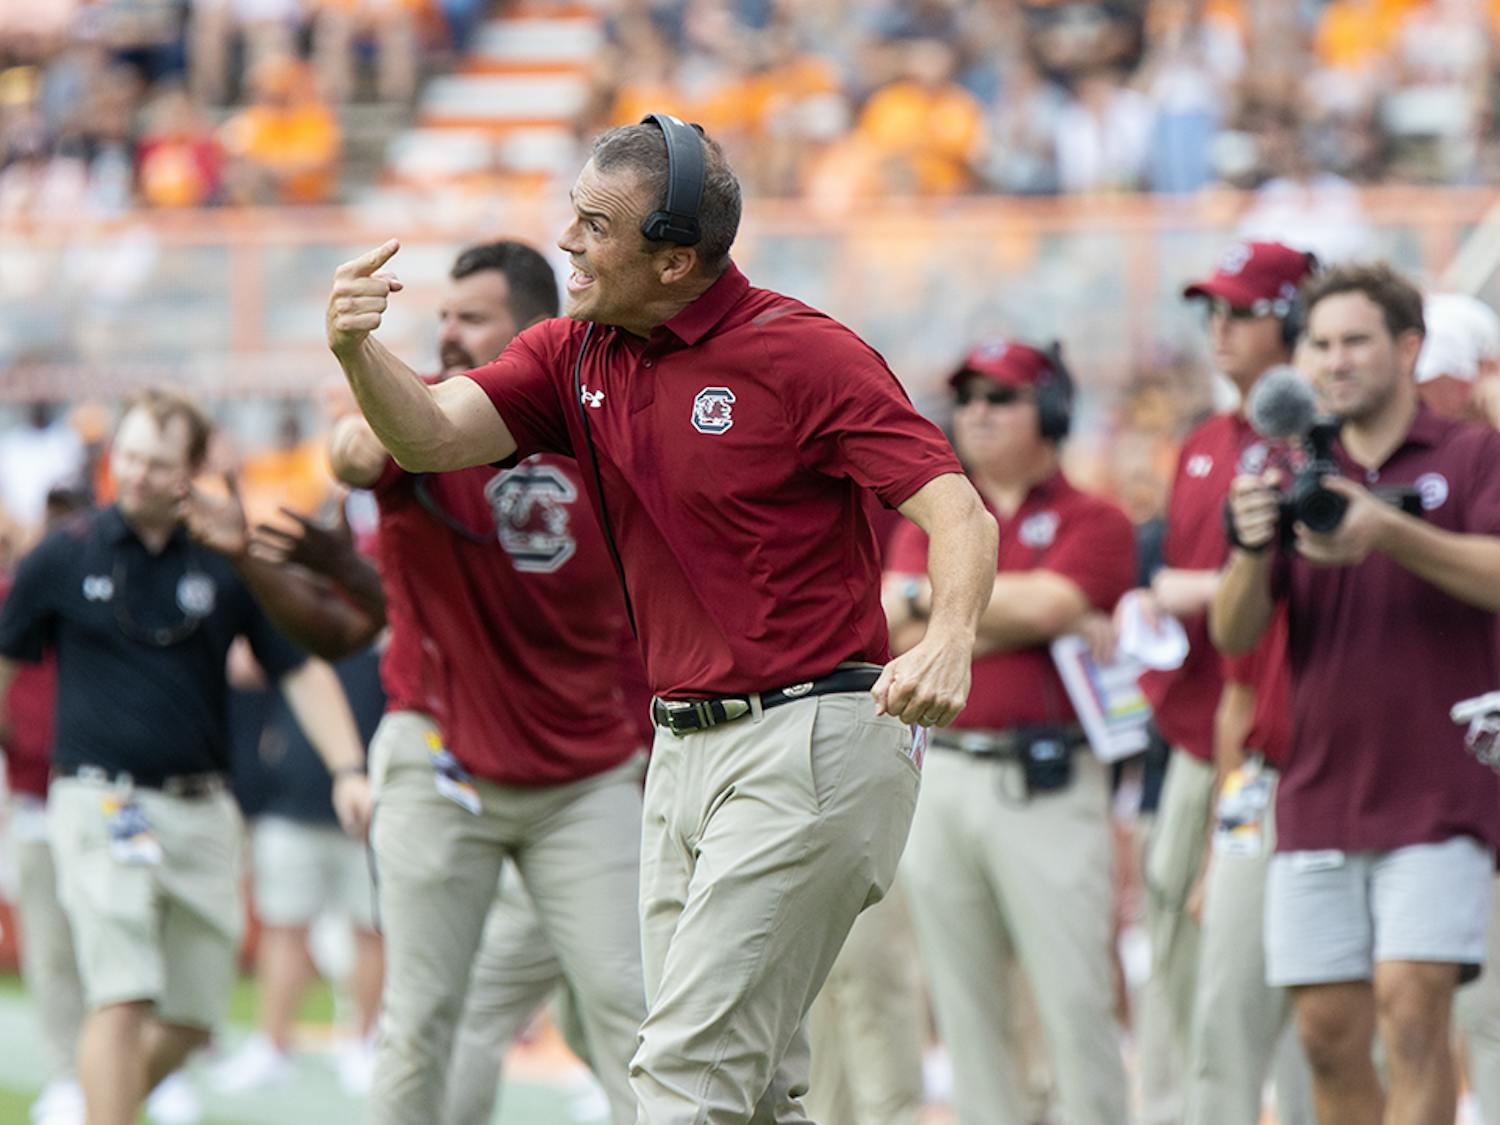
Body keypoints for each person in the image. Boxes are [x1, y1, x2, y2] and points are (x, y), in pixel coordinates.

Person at [323, 116, 998, 1121]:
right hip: (681, 752)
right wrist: (356, 351)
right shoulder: (574, 353)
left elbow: (956, 510)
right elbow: (426, 437)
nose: (568, 244)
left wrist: (949, 638)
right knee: (749, 1090)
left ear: (676, 258)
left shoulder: (805, 354)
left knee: (684, 1080)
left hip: (809, 739)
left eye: (595, 226)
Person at [327, 238, 653, 1125]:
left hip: (586, 776)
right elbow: (358, 451)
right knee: (420, 1018)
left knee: (635, 1011)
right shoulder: (418, 414)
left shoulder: (608, 423)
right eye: (442, 317)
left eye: (472, 317)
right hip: (442, 758)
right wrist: (358, 358)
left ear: (537, 330)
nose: (448, 335)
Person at [0, 387, 372, 1125]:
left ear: (191, 470)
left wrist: (349, 768)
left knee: (195, 1016)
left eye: (157, 462)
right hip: (99, 800)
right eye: (129, 456)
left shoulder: (226, 560)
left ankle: (95, 1106)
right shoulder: (64, 555)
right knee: (123, 987)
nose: (137, 474)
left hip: (202, 805)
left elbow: (298, 667)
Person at [1213, 262, 1500, 1125]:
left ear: (1408, 347)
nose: (1336, 361)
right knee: (1327, 1036)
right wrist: (1254, 546)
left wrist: (1387, 528)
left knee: (1414, 1011)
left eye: (1356, 341)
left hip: (1439, 783)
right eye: (1321, 344)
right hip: (1318, 785)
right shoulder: (1286, 464)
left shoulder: (1473, 452)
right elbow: (1232, 632)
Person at [884, 339, 1133, 1124]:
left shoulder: (1094, 517)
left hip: (1047, 783)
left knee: (1075, 1000)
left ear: (1051, 412)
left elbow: (1057, 604)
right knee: (965, 1011)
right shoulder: (934, 512)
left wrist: (939, 610)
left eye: (1003, 396)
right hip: (946, 774)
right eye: (970, 396)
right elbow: (892, 627)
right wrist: (1004, 611)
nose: (979, 412)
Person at [1126, 240, 1317, 1120]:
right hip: (1201, 740)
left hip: (1285, 743)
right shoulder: (1204, 439)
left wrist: (1193, 588)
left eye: (1242, 312)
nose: (1221, 329)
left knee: (1304, 1007)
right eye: (1214, 312)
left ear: (1291, 319)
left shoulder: (1317, 445)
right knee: (1184, 977)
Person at [2, 486, 90, 1125]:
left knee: (122, 939)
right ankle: (66, 1073)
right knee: (51, 948)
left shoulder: (103, 602)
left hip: (110, 789)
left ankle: (145, 1067)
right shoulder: (17, 601)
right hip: (36, 792)